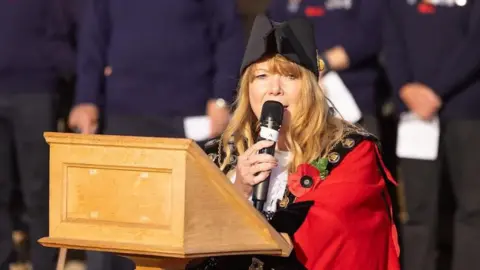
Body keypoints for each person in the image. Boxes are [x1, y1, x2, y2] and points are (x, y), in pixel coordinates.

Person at [188, 14, 400, 270]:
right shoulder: (217, 155)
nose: (274, 88)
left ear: (310, 87)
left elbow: (333, 235)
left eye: (289, 76)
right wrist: (238, 191)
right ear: (247, 88)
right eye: (262, 76)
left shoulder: (352, 152)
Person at [68, 0, 245, 269]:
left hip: (188, 116)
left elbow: (229, 35)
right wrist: (86, 98)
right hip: (122, 116)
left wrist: (222, 96)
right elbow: (93, 36)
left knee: (179, 222)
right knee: (116, 219)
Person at [382, 1, 480, 270]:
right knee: (417, 210)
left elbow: (475, 44)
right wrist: (405, 88)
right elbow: (392, 41)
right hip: (414, 113)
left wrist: (435, 90)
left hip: (467, 111)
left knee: (473, 208)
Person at [0, 0, 75, 269]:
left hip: (35, 90)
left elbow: (65, 27)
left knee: (38, 188)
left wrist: (72, 74)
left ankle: (45, 261)